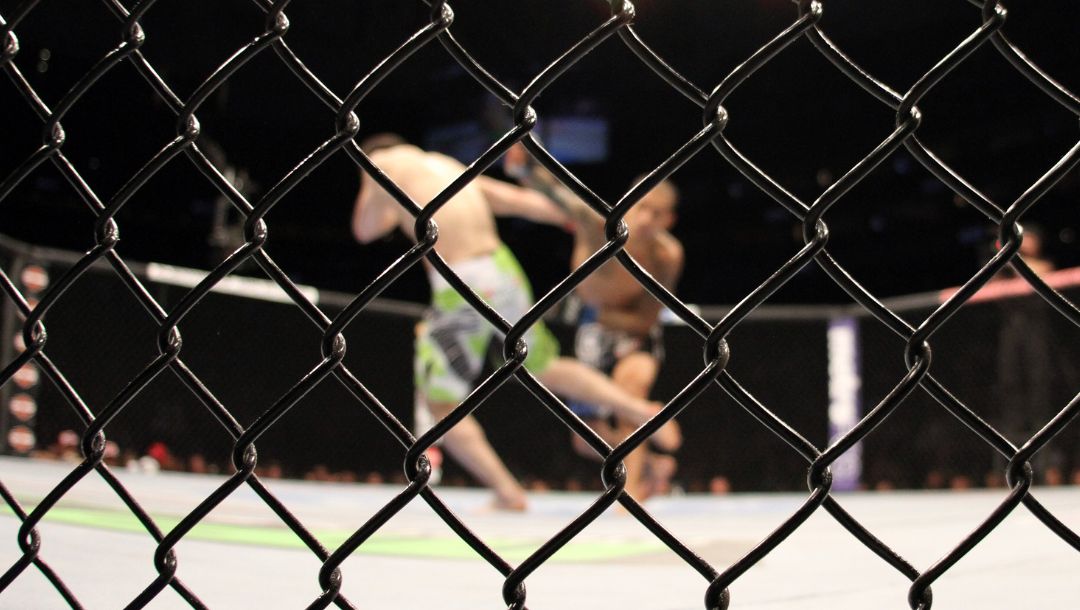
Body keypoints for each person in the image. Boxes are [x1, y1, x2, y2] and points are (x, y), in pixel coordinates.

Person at [352, 134, 680, 510]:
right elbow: (516, 201)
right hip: (503, 271)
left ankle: (507, 491)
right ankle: (638, 409)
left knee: (440, 403)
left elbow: (365, 229)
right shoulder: (446, 167)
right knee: (544, 364)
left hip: (461, 281)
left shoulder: (383, 166)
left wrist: (386, 201)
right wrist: (568, 218)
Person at [504, 144, 685, 500]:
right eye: (642, 207)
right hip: (588, 329)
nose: (646, 219)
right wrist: (526, 171)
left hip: (631, 332)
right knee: (586, 438)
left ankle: (630, 497)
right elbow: (566, 197)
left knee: (632, 389)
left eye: (657, 213)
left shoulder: (668, 256)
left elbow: (645, 319)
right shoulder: (599, 228)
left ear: (669, 221)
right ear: (629, 203)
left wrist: (608, 316)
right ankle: (647, 463)